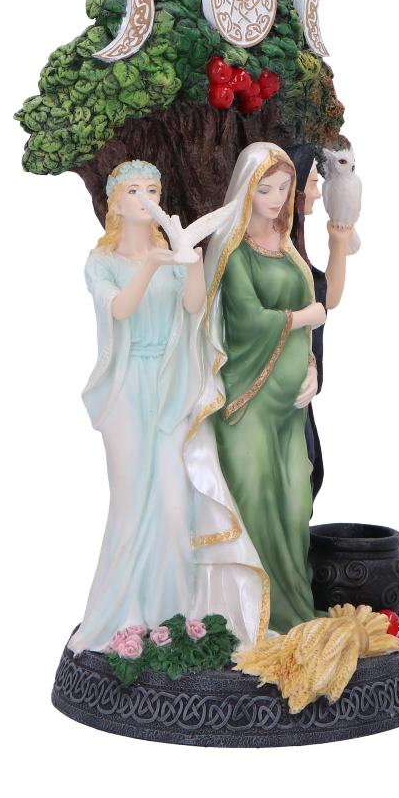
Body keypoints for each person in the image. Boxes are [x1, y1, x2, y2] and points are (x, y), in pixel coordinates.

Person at [68, 159, 266, 654]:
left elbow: (194, 306)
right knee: (132, 500)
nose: (145, 198)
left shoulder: (170, 254)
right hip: (128, 386)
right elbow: (119, 309)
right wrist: (154, 265)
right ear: (115, 203)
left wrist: (191, 261)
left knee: (176, 504)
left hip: (171, 382)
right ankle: (125, 614)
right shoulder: (102, 262)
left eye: (153, 189)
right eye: (133, 190)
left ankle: (173, 616)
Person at [193, 142, 327, 634]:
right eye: (265, 188)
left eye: (284, 188)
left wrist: (311, 366)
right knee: (256, 499)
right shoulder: (234, 253)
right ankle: (253, 616)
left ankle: (296, 611)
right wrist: (306, 317)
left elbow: (307, 310)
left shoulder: (286, 244)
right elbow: (249, 320)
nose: (275, 199)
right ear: (247, 189)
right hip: (246, 402)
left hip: (289, 408)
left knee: (294, 504)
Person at [286, 143, 355, 499]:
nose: (317, 192)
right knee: (298, 466)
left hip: (300, 378)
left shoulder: (293, 246)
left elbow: (326, 298)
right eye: (313, 183)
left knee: (310, 466)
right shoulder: (273, 252)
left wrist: (338, 243)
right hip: (277, 382)